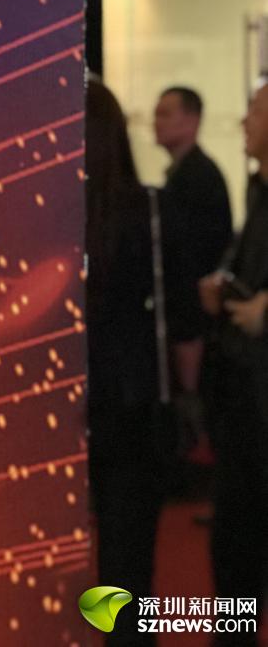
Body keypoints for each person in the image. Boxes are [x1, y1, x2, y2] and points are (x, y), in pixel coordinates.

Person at [86, 78, 165, 645]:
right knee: (128, 547)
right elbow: (170, 314)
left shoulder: (50, 214)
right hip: (132, 397)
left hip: (69, 395)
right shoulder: (144, 209)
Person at [198, 83, 268, 646]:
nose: (243, 122)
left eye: (254, 111)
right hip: (244, 392)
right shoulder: (256, 188)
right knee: (234, 539)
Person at [154, 87, 233, 444]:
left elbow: (190, 266)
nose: (156, 122)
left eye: (166, 113)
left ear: (192, 120)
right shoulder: (186, 175)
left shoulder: (198, 178)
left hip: (196, 327)